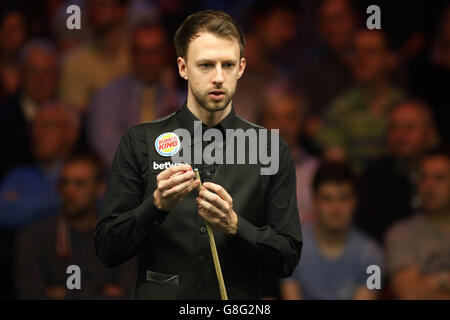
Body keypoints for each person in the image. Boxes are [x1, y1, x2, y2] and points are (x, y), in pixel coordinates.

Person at [95, 10, 302, 299]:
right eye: (205, 65)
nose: (218, 77)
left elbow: (287, 258)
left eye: (227, 65)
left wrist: (236, 227)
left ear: (241, 67)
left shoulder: (270, 149)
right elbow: (107, 248)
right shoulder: (139, 142)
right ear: (183, 67)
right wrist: (154, 207)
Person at [15, 152, 135, 299]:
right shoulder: (34, 237)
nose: (69, 191)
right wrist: (103, 293)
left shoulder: (120, 237)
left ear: (100, 188)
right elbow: (30, 294)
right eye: (64, 183)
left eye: (79, 184)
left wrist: (62, 294)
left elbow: (131, 295)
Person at [88, 19, 182, 167]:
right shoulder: (107, 98)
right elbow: (106, 151)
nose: (148, 60)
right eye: (141, 52)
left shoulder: (181, 100)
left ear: (165, 55)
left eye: (155, 52)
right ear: (131, 55)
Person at [281, 162, 383, 300]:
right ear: (315, 202)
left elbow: (368, 296)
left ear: (355, 202)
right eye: (327, 199)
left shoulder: (373, 254)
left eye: (344, 198)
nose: (335, 208)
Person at [316, 29, 404, 173]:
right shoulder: (339, 109)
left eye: (371, 52)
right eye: (356, 52)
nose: (361, 59)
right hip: (355, 191)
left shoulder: (406, 107)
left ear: (390, 59)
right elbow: (335, 168)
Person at [356, 100, 438, 243]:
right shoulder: (374, 176)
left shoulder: (443, 171)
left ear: (430, 133)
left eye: (409, 127)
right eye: (394, 128)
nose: (401, 135)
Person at [385, 150, 450, 300]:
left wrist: (431, 282)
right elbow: (409, 293)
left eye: (439, 178)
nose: (429, 185)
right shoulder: (400, 234)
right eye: (423, 178)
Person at [0, 40, 59, 180]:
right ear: (21, 75)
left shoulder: (69, 115)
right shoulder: (3, 118)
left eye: (48, 72)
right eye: (34, 72)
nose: (41, 79)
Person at [59, 0, 129, 113]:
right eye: (89, 6)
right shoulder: (73, 62)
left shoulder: (138, 56)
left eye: (102, 4)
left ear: (121, 10)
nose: (94, 11)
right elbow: (74, 117)